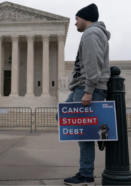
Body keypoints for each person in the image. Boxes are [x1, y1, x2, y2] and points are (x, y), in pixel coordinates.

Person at [57, 3, 110, 186]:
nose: (75, 23)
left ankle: (86, 174)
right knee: (62, 115)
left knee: (84, 134)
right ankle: (98, 136)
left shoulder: (91, 34)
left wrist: (88, 91)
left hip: (87, 89)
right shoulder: (91, 34)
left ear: (86, 18)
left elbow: (92, 64)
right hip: (79, 88)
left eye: (76, 19)